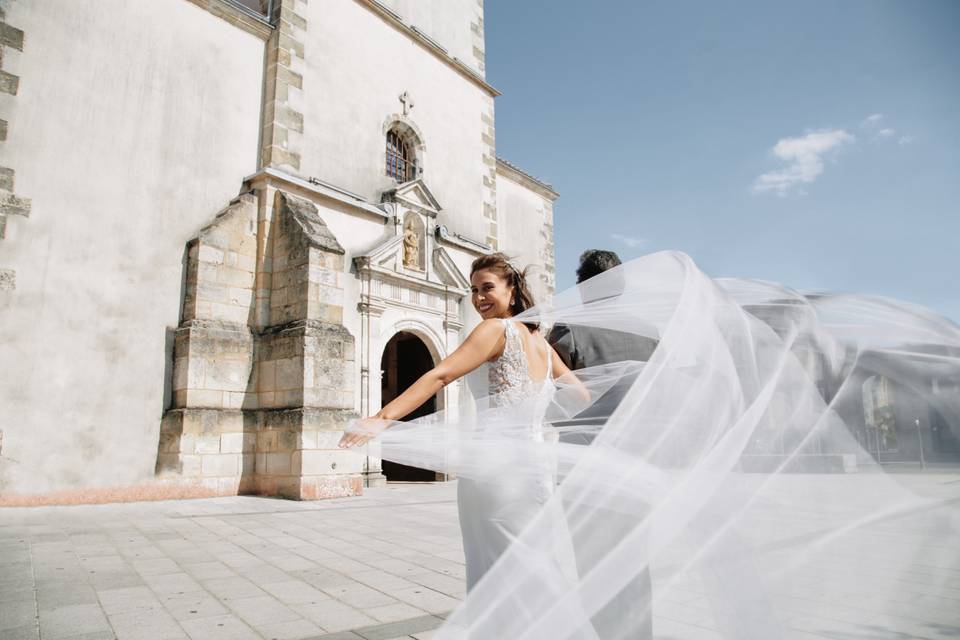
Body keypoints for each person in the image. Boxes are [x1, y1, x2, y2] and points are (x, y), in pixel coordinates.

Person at [340, 252, 579, 590]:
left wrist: (382, 417)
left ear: (512, 289)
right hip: (535, 470)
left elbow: (440, 376)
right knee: (533, 564)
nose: (479, 298)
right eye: (473, 290)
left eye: (487, 288)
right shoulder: (541, 343)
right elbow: (579, 394)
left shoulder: (495, 330)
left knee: (494, 570)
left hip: (494, 470)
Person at [548, 249, 656, 640]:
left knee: (593, 563)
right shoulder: (649, 332)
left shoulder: (568, 330)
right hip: (639, 463)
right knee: (635, 561)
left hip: (585, 467)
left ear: (583, 288)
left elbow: (554, 395)